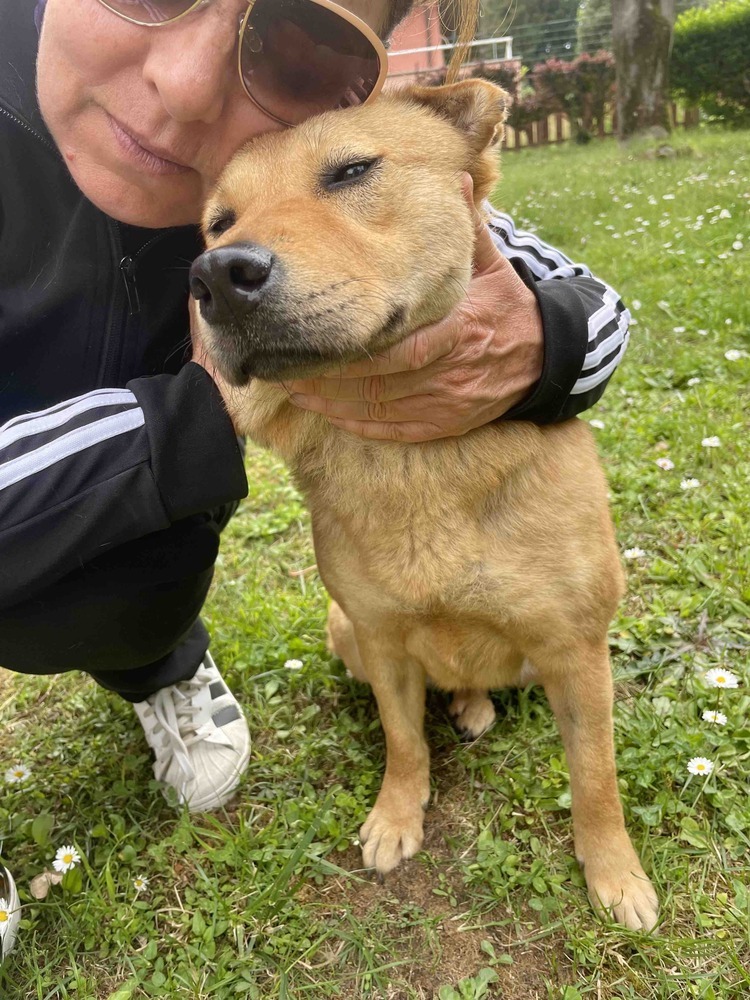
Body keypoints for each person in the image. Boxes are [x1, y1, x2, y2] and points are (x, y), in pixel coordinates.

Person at [0, 0, 630, 963]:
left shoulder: (263, 152)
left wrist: (551, 343)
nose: (187, 83)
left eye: (299, 45)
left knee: (144, 580)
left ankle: (157, 662)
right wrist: (192, 417)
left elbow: (549, 276)